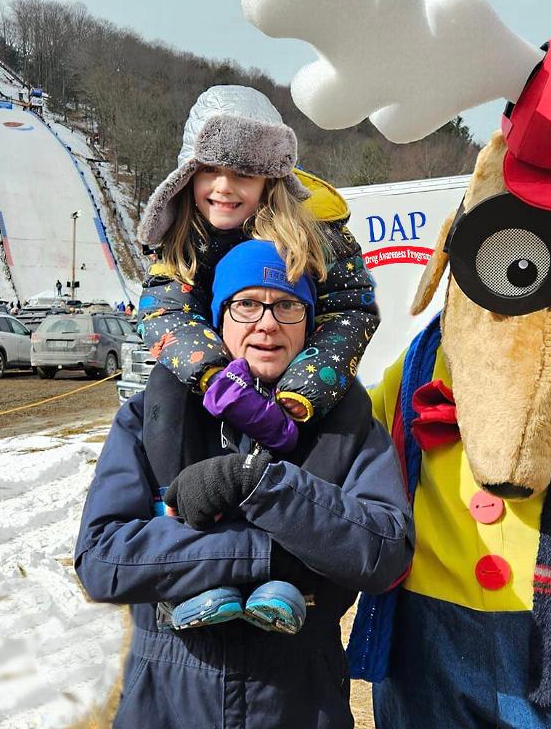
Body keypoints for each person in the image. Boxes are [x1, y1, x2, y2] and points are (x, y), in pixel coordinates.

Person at [75, 240, 412, 728]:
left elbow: (385, 552)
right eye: (247, 304)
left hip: (301, 700)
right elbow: (102, 560)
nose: (267, 322)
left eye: (287, 305)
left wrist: (263, 486)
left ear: (311, 321)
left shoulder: (348, 426)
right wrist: (269, 554)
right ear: (219, 318)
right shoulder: (151, 417)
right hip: (166, 699)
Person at [135, 85, 379, 454]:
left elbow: (350, 310)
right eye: (209, 170)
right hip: (215, 385)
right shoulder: (182, 237)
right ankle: (172, 495)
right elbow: (164, 310)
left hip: (296, 374)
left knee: (352, 404)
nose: (223, 187)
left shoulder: (317, 232)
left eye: (242, 175)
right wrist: (217, 376)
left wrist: (302, 388)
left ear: (269, 179)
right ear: (187, 176)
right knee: (164, 386)